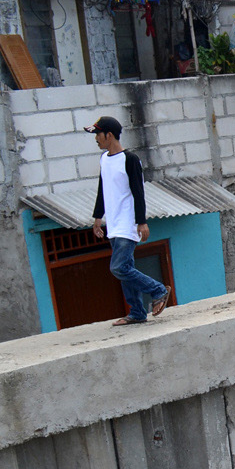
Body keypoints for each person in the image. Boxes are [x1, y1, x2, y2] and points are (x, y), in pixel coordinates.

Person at [86, 116, 168, 326]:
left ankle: (158, 290)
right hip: (113, 224)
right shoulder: (104, 159)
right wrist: (97, 218)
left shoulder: (130, 159)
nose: (96, 138)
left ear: (109, 135)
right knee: (125, 270)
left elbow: (138, 193)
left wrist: (141, 222)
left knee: (119, 267)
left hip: (127, 223)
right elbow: (102, 191)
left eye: (98, 134)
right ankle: (137, 312)